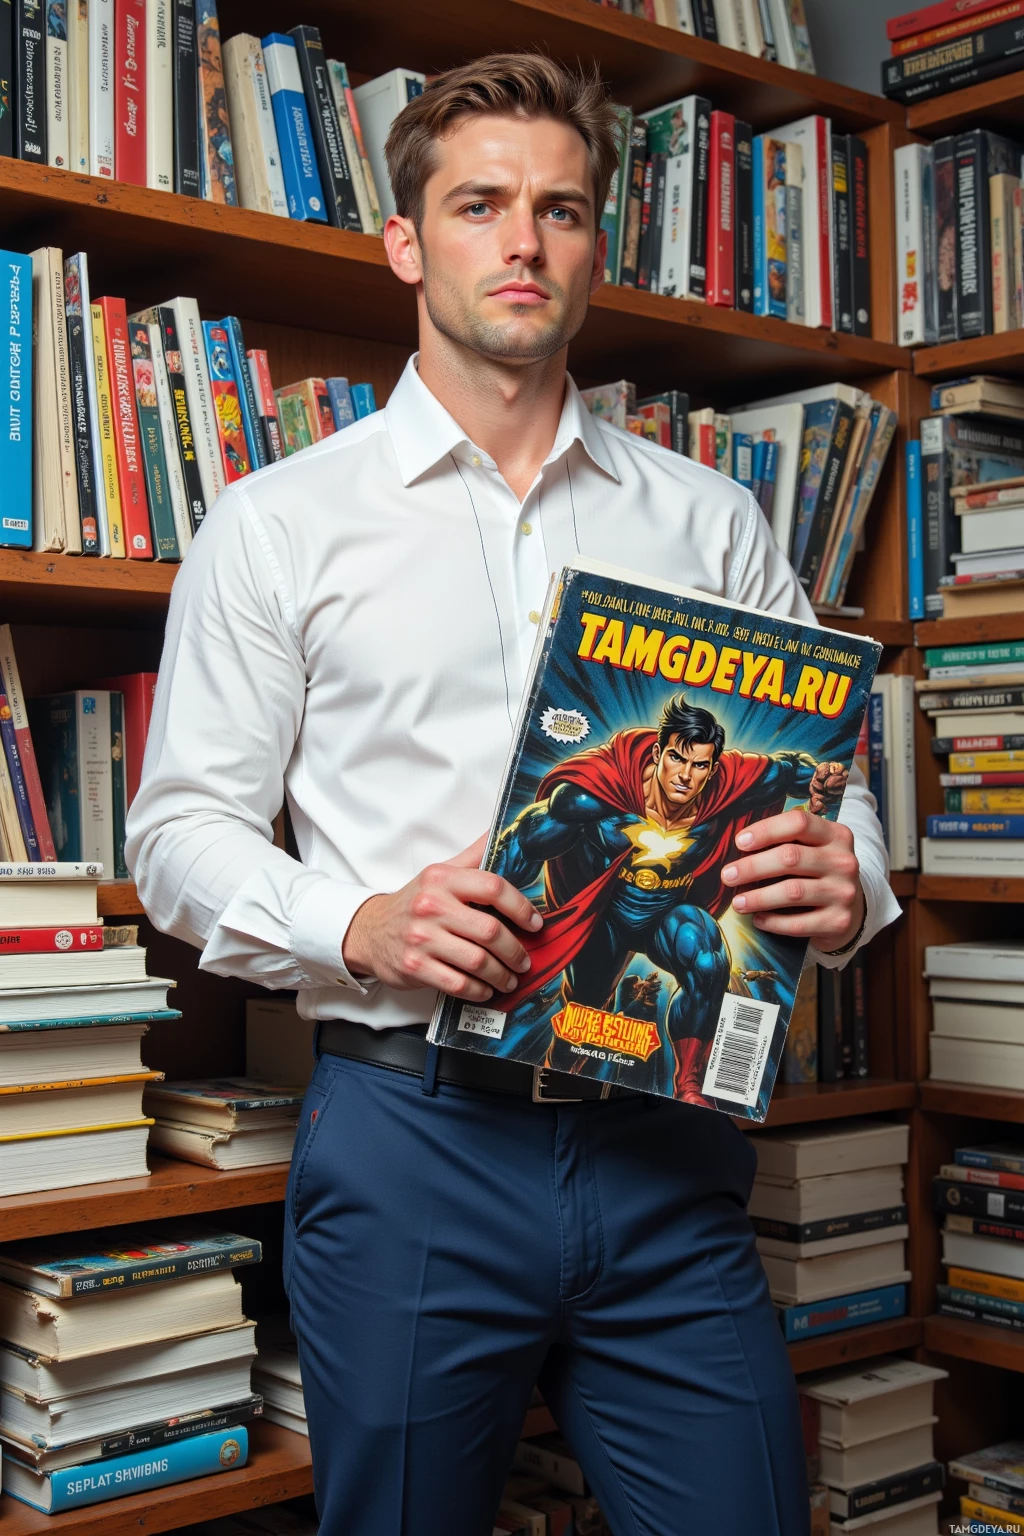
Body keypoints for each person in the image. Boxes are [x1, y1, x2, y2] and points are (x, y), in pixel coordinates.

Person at [126, 51, 900, 1536]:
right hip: (410, 1137)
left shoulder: (710, 518)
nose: (523, 242)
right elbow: (176, 836)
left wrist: (847, 876)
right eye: (479, 205)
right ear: (407, 244)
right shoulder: (279, 525)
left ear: (597, 245)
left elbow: (834, 787)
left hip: (664, 1142)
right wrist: (362, 923)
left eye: (560, 208)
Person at [491, 693, 850, 1101]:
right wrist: (489, 910)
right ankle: (560, 1063)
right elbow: (524, 841)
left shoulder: (730, 785)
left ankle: (689, 1082)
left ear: (713, 768)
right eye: (677, 759)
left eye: (699, 766)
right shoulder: (599, 795)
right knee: (585, 1006)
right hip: (605, 917)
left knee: (708, 956)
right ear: (658, 753)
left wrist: (822, 779)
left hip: (666, 915)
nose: (685, 775)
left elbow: (788, 771)